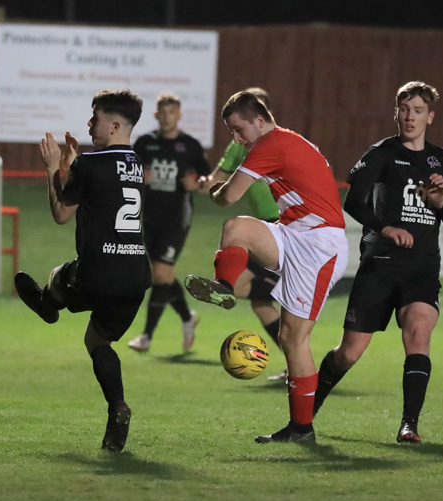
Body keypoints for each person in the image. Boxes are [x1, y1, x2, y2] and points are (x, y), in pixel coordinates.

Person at [186, 90, 349, 444]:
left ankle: (301, 429)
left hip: (320, 246)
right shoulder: (279, 141)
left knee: (294, 339)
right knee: (236, 228)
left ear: (259, 121)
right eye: (231, 131)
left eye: (238, 129)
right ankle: (224, 287)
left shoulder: (271, 143)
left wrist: (213, 189)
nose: (236, 138)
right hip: (294, 233)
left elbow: (227, 195)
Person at [312, 81, 443, 443]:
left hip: (422, 270)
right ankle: (306, 413)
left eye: (417, 111)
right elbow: (352, 203)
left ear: (430, 116)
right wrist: (386, 227)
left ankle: (409, 424)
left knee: (418, 332)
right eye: (403, 109)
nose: (409, 117)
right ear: (395, 112)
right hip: (380, 265)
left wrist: (440, 202)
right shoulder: (382, 152)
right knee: (348, 354)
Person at [15, 89, 151, 453]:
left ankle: (47, 304)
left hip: (99, 272)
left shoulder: (92, 165)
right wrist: (75, 165)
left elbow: (61, 214)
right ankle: (117, 408)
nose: (90, 123)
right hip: (136, 277)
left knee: (60, 275)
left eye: (96, 117)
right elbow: (106, 182)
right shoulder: (136, 163)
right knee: (97, 341)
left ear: (116, 123)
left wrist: (51, 170)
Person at [204, 87, 286, 381]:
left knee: (243, 288)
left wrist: (204, 185)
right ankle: (294, 362)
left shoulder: (267, 143)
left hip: (279, 224)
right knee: (258, 301)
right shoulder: (252, 142)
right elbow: (219, 180)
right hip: (267, 224)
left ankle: (283, 290)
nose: (237, 134)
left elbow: (220, 188)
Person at [126, 92, 210, 354]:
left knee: (160, 273)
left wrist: (196, 185)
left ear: (179, 115)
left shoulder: (190, 145)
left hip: (177, 218)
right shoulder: (145, 143)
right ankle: (187, 318)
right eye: (162, 113)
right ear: (156, 115)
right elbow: (128, 172)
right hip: (149, 217)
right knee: (165, 275)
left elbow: (209, 179)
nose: (166, 118)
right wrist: (140, 179)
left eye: (171, 113)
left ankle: (147, 336)